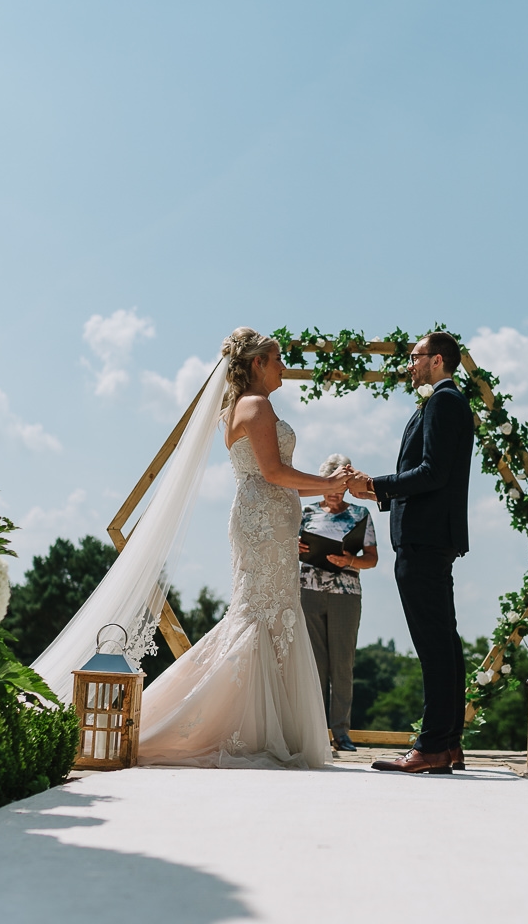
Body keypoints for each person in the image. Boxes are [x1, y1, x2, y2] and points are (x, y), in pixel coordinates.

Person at [132, 328, 351, 768]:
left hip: (264, 520)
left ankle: (259, 725)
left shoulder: (236, 408)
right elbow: (273, 472)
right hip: (265, 520)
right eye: (277, 359)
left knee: (265, 613)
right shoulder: (256, 405)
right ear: (257, 364)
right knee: (262, 614)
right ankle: (235, 726)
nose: (283, 366)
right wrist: (328, 485)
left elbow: (268, 472)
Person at [346, 331, 473, 774]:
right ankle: (449, 742)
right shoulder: (447, 401)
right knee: (444, 641)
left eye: (416, 357)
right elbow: (425, 475)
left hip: (424, 538)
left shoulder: (443, 402)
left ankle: (433, 745)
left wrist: (378, 485)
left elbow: (432, 473)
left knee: (433, 644)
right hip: (432, 536)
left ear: (437, 360)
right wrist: (375, 491)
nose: (409, 364)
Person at [297, 454, 378, 752]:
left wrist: (351, 560)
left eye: (338, 487)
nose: (332, 493)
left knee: (342, 665)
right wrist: (296, 546)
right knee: (314, 664)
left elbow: (372, 559)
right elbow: (289, 547)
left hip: (346, 594)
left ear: (345, 486)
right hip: (308, 590)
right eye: (327, 487)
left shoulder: (360, 515)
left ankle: (341, 732)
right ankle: (316, 731)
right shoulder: (304, 513)